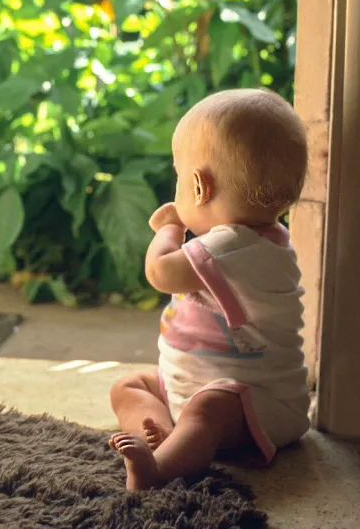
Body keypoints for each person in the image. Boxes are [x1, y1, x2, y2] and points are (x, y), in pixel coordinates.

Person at [109, 88, 311, 491]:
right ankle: (167, 436)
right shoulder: (256, 241)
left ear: (199, 188)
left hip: (256, 402)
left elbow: (160, 272)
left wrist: (170, 227)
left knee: (210, 407)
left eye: (178, 175)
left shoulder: (234, 249)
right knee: (129, 386)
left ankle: (159, 468)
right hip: (189, 384)